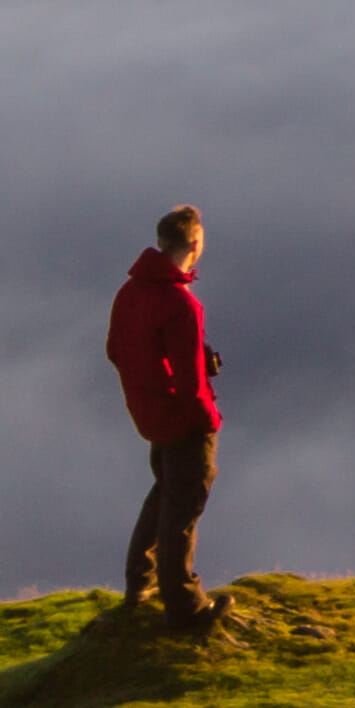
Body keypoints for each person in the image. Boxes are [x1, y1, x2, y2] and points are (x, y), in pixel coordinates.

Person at [105, 205, 226, 622]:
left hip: (151, 416)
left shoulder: (130, 293)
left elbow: (117, 350)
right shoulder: (182, 304)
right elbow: (192, 387)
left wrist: (151, 388)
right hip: (182, 420)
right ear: (195, 245)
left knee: (165, 493)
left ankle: (141, 580)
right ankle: (185, 604)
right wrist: (209, 420)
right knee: (184, 504)